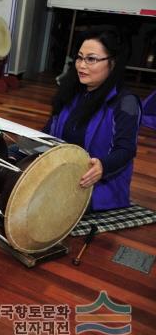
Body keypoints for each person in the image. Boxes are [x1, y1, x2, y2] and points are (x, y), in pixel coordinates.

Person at [44, 28, 142, 211]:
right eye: (80, 57)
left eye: (91, 59)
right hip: (62, 172)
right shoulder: (71, 92)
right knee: (11, 164)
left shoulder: (126, 102)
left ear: (112, 63)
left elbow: (126, 150)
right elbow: (48, 132)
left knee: (45, 201)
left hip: (98, 184)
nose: (81, 65)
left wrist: (103, 166)